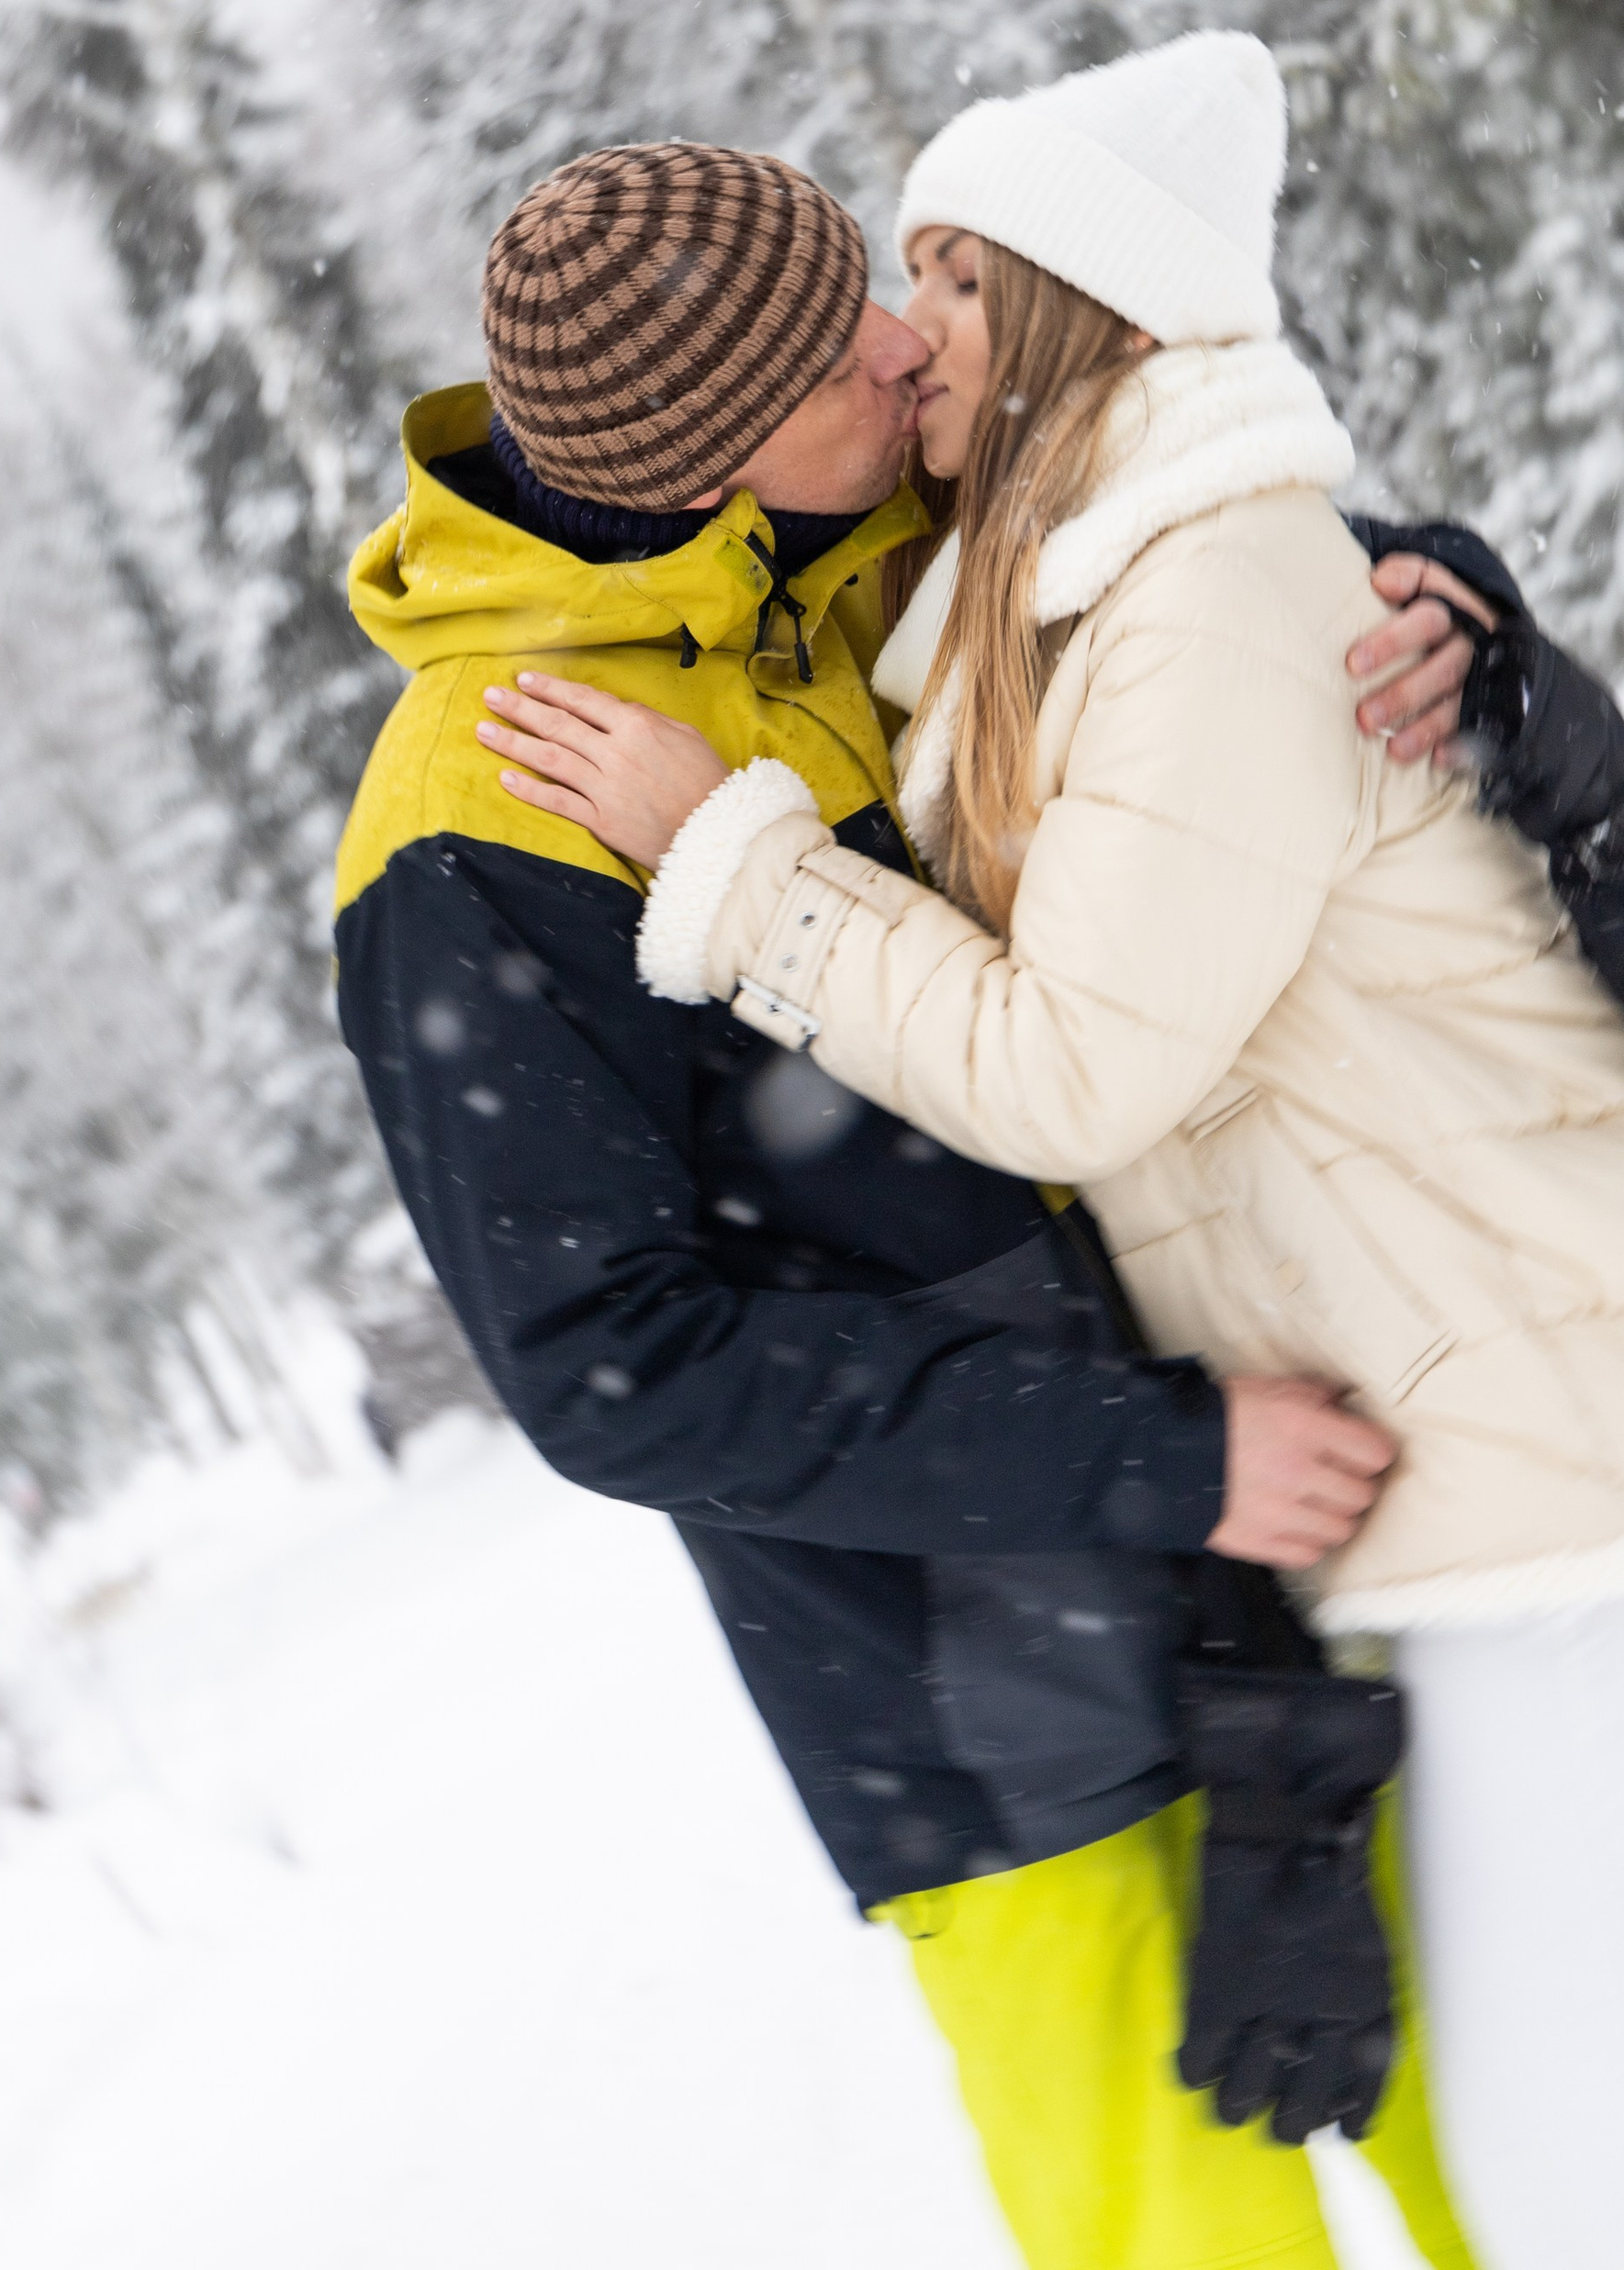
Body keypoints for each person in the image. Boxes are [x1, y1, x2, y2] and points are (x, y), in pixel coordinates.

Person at [334, 131, 1588, 2270]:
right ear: (705, 463)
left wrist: (1452, 609)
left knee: (1542, 2173)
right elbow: (614, 1365)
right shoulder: (475, 836)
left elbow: (1223, 594)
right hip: (987, 1728)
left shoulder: (875, 557)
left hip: (1278, 1576)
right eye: (838, 348)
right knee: (1190, 2245)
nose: (905, 349)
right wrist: (1151, 1460)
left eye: (878, 291)